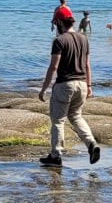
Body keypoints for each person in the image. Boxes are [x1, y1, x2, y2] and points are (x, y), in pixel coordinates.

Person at [37, 11, 99, 167]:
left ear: (59, 23)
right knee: (76, 116)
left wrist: (44, 89)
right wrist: (89, 85)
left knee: (58, 121)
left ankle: (55, 156)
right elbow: (87, 65)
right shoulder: (83, 39)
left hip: (65, 84)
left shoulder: (59, 41)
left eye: (55, 22)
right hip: (82, 84)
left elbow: (54, 67)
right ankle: (91, 143)